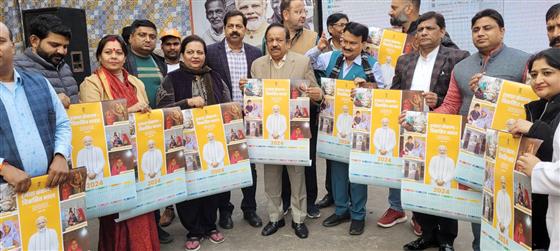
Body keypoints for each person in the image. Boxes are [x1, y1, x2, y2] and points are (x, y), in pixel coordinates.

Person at [424, 9, 530, 251]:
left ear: (502, 31)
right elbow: (451, 105)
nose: (480, 33)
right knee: (477, 210)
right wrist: (420, 121)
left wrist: (495, 88)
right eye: (476, 29)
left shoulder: (524, 61)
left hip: (510, 151)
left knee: (509, 212)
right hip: (472, 151)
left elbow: (533, 100)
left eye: (487, 28)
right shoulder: (462, 67)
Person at [79, 34, 160, 250]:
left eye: (118, 52)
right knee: (116, 211)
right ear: (99, 56)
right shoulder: (91, 83)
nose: (113, 56)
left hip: (138, 152)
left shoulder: (135, 82)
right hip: (111, 157)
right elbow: (92, 122)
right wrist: (129, 110)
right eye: (108, 52)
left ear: (125, 57)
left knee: (142, 206)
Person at [247, 23, 323, 239]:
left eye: (279, 40)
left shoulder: (302, 62)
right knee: (271, 176)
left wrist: (317, 94)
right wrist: (248, 90)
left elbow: (315, 93)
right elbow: (254, 100)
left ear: (288, 42)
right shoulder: (257, 65)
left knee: (297, 176)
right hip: (269, 133)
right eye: (270, 40)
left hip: (295, 132)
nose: (274, 44)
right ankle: (275, 217)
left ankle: (299, 219)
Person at [307, 22, 382, 235]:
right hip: (333, 125)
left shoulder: (371, 65)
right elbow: (305, 62)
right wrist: (319, 47)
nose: (346, 46)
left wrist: (369, 88)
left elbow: (385, 94)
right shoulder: (330, 58)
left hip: (359, 128)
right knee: (337, 170)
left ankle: (358, 215)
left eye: (352, 43)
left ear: (364, 43)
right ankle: (341, 210)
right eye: (343, 41)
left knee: (357, 172)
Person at [156, 35, 230, 250]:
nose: (195, 56)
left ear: (205, 55)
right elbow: (162, 110)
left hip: (211, 141)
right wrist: (186, 103)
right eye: (190, 52)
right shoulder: (172, 79)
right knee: (188, 188)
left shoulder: (215, 77)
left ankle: (210, 226)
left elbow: (226, 105)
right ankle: (194, 230)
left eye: (199, 52)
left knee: (211, 185)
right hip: (183, 145)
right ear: (182, 54)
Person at [206, 12, 263, 227]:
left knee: (250, 165)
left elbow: (262, 84)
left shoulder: (255, 53)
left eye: (239, 26)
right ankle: (225, 211)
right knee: (225, 164)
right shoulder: (212, 52)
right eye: (230, 26)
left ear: (245, 29)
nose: (234, 30)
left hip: (250, 118)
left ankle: (250, 208)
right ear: (224, 28)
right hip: (222, 118)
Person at [0, 20, 71, 192]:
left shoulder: (40, 83)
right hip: (7, 197)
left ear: (12, 46)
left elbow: (62, 124)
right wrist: (3, 167)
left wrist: (61, 155)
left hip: (49, 188)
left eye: (0, 41)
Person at [509, 47, 560, 249]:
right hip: (535, 200)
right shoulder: (535, 107)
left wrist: (533, 128)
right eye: (534, 75)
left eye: (547, 73)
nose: (538, 80)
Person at [13, 14, 78, 108]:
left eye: (65, 46)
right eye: (54, 45)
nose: (61, 51)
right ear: (34, 41)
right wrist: (52, 100)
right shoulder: (16, 68)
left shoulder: (64, 67)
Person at [124, 19, 167, 108]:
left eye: (152, 37)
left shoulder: (160, 62)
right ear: (130, 38)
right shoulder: (122, 62)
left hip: (159, 116)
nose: (148, 40)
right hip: (136, 117)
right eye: (142, 35)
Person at [388, 0, 458, 49]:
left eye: (394, 8)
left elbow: (457, 59)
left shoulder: (432, 31)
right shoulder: (395, 34)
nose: (390, 12)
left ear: (409, 9)